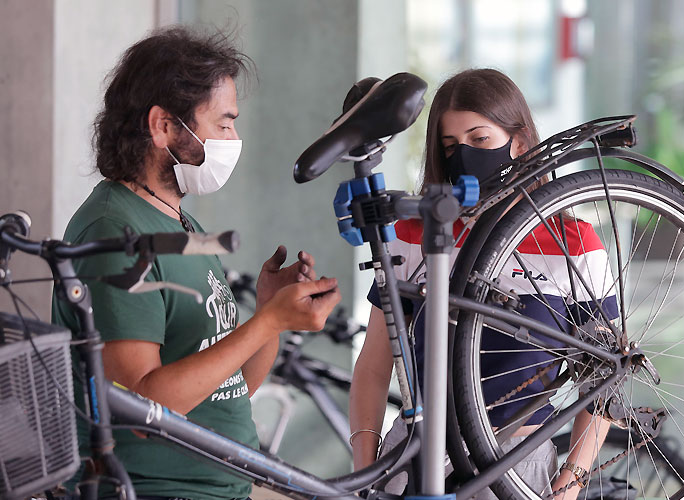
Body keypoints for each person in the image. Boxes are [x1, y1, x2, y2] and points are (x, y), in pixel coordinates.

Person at [51, 26, 341, 500]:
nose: (234, 139)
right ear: (163, 126)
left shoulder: (179, 223)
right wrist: (266, 322)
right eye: (223, 125)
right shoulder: (115, 233)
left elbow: (229, 390)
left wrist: (270, 314)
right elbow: (141, 408)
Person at [349, 68, 616, 500]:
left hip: (517, 459)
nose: (464, 158)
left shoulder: (576, 244)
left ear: (520, 144)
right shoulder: (415, 234)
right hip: (413, 452)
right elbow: (374, 365)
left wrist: (570, 485)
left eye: (480, 139)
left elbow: (603, 383)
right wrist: (364, 469)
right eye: (450, 146)